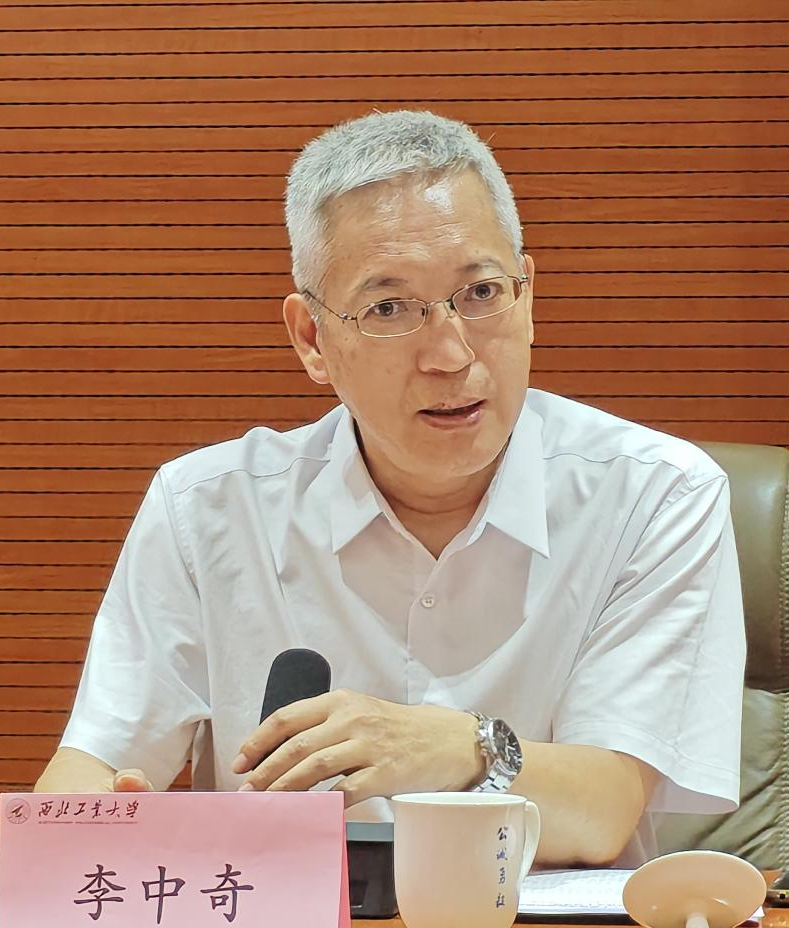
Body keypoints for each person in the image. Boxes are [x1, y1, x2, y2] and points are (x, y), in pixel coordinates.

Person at [36, 110, 745, 868]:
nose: (449, 354)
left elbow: (603, 810)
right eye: (388, 309)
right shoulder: (205, 508)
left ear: (528, 296)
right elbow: (90, 766)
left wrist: (454, 747)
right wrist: (94, 821)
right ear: (311, 339)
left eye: (481, 292)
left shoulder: (655, 496)